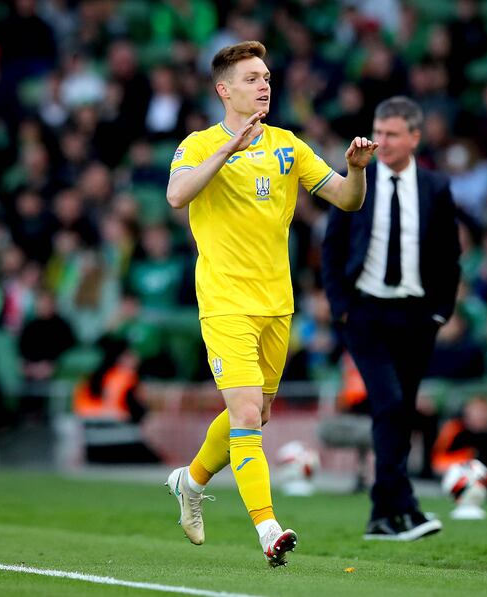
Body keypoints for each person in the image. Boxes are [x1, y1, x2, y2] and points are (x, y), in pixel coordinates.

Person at [163, 41, 377, 566]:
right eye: (253, 77)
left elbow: (347, 200)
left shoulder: (288, 146)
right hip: (224, 301)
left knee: (255, 415)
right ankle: (268, 528)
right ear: (224, 90)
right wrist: (226, 152)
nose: (264, 85)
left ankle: (189, 482)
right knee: (245, 409)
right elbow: (175, 196)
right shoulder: (197, 145)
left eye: (267, 77)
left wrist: (358, 169)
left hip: (276, 303)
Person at [322, 96, 461, 540]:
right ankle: (400, 508)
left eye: (392, 134)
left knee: (401, 411)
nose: (381, 141)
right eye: (377, 132)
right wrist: (340, 306)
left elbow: (449, 255)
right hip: (366, 311)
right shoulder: (356, 180)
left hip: (418, 315)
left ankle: (388, 513)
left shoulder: (435, 188)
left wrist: (441, 311)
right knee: (389, 405)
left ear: (415, 137)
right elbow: (331, 247)